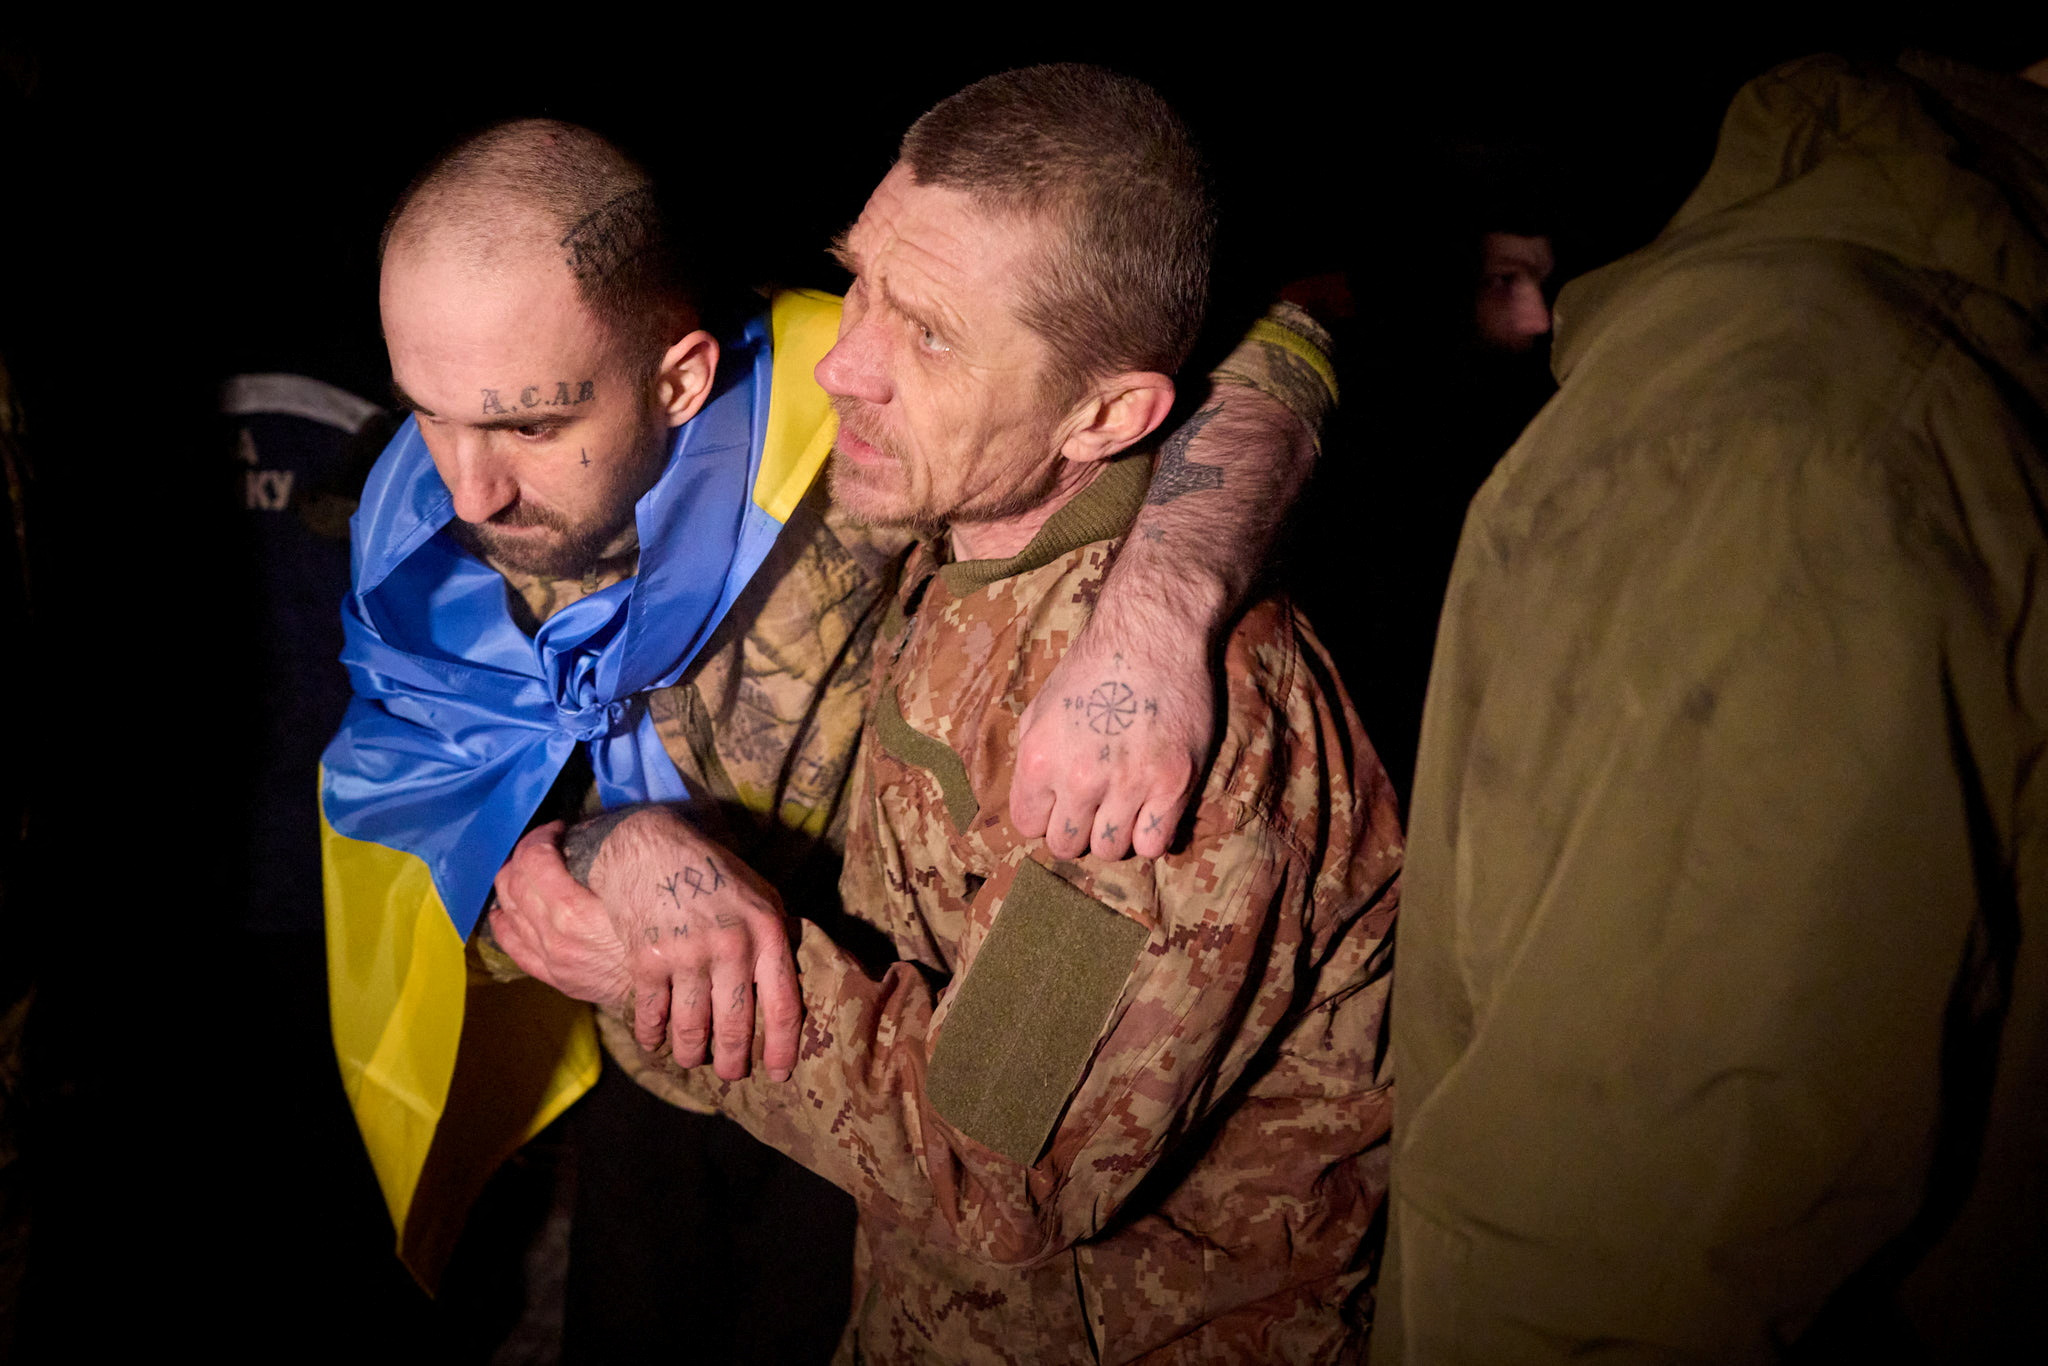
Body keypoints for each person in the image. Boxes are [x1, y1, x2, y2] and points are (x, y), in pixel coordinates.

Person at [323, 111, 1333, 1327]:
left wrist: (1164, 602)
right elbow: (419, 789)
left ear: (680, 376)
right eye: (427, 410)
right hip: (649, 1065)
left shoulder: (874, 441)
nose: (464, 482)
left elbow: (1266, 315)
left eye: (533, 425)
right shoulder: (417, 521)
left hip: (866, 1079)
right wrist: (587, 855)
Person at [1375, 52, 2048, 1361]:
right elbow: (1619, 1213)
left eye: (1535, 272)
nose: (1528, 316)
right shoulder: (1781, 447)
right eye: (1493, 279)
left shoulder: (1802, 436)